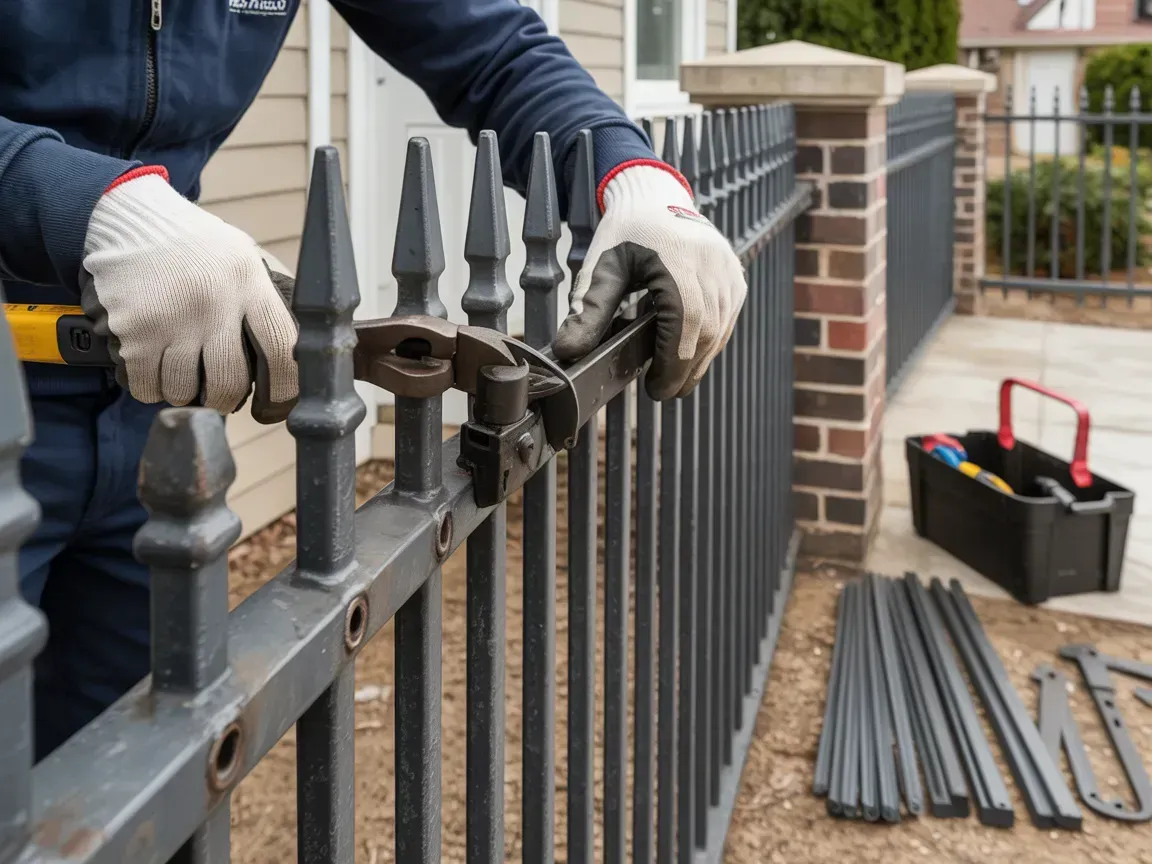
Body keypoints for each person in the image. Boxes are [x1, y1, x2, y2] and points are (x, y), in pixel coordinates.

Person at [1, 0, 746, 761]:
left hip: (156, 388)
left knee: (121, 771)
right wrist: (76, 202)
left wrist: (632, 177)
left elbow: (493, 50)